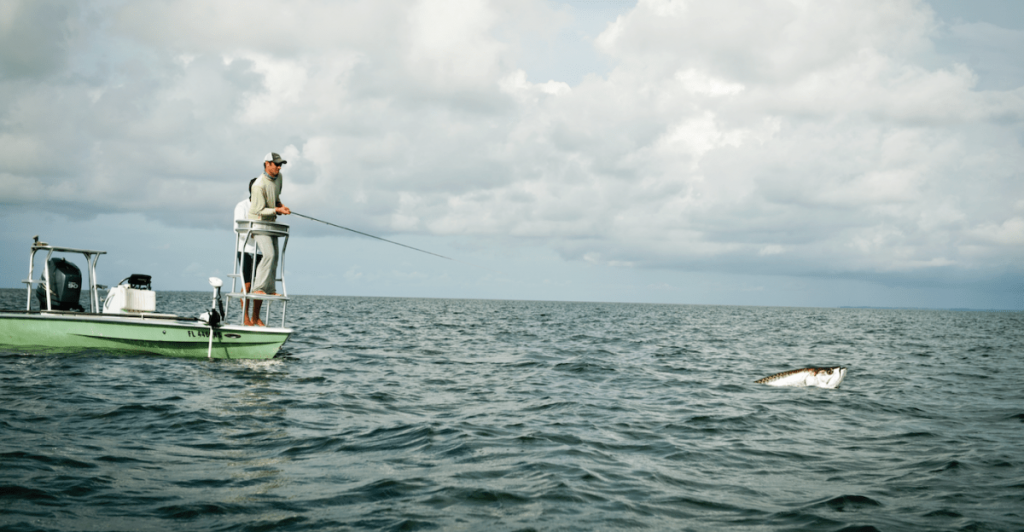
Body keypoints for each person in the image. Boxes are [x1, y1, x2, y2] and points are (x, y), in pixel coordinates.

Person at [248, 152, 291, 326]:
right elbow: (258, 211)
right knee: (269, 254)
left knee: (275, 256)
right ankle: (259, 288)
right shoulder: (258, 185)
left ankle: (270, 289)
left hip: (271, 223)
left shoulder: (279, 177)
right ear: (267, 164)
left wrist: (281, 205)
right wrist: (277, 211)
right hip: (258, 224)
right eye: (276, 164)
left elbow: (276, 198)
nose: (279, 167)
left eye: (280, 164)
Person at [234, 178, 263, 326]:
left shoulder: (264, 207)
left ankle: (256, 317)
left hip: (261, 250)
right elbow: (237, 228)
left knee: (259, 286)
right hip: (245, 249)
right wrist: (253, 233)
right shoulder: (242, 206)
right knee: (247, 285)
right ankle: (245, 318)